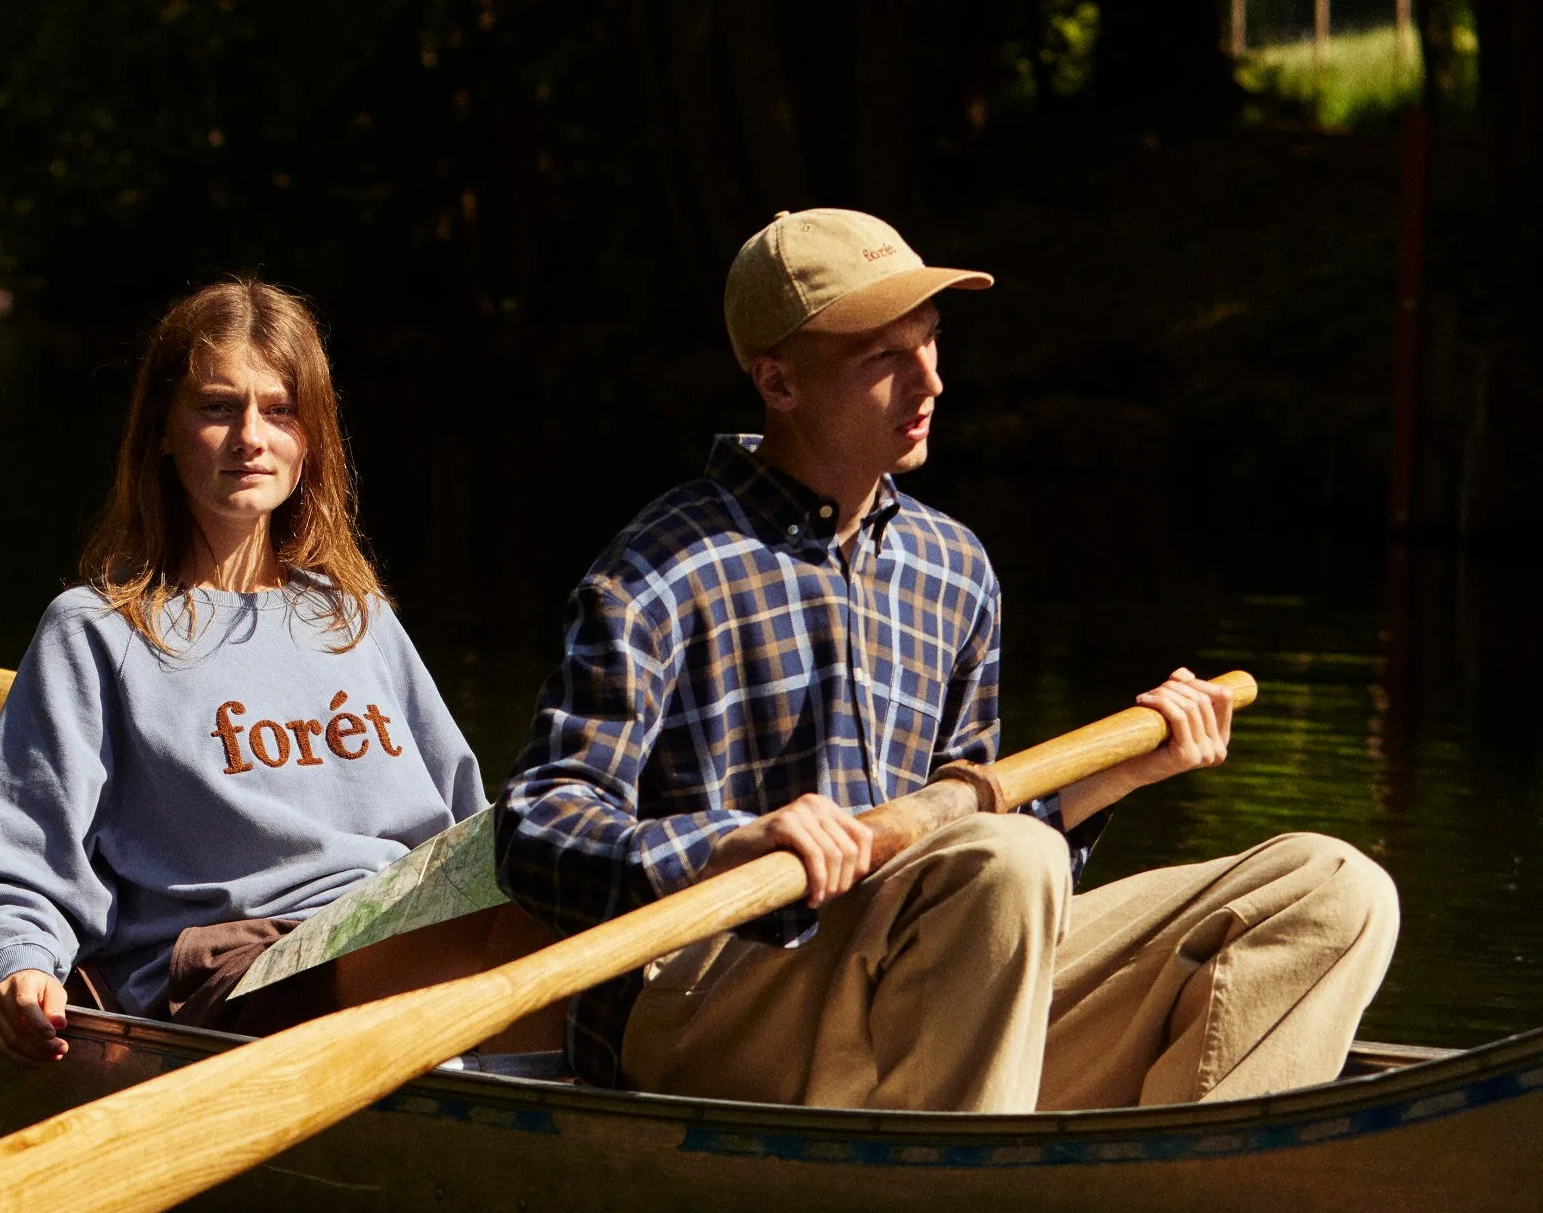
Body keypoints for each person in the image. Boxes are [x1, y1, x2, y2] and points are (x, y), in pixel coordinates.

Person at [496, 207, 1399, 1111]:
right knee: (1005, 861)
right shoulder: (656, 570)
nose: (930, 380)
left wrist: (1121, 774)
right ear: (777, 379)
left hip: (915, 1000)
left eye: (930, 341)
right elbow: (538, 830)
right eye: (883, 358)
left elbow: (978, 858)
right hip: (712, 998)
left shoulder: (953, 567)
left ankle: (1189, 1202)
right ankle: (957, 1209)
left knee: (1331, 890)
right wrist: (733, 842)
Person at [0, 277, 538, 1060]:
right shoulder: (96, 632)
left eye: (279, 409)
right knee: (521, 908)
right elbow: (11, 858)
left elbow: (467, 831)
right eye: (218, 407)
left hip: (407, 929)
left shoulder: (357, 617)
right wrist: (16, 964)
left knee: (563, 876)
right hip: (235, 971)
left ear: (310, 435)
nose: (250, 436)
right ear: (162, 427)